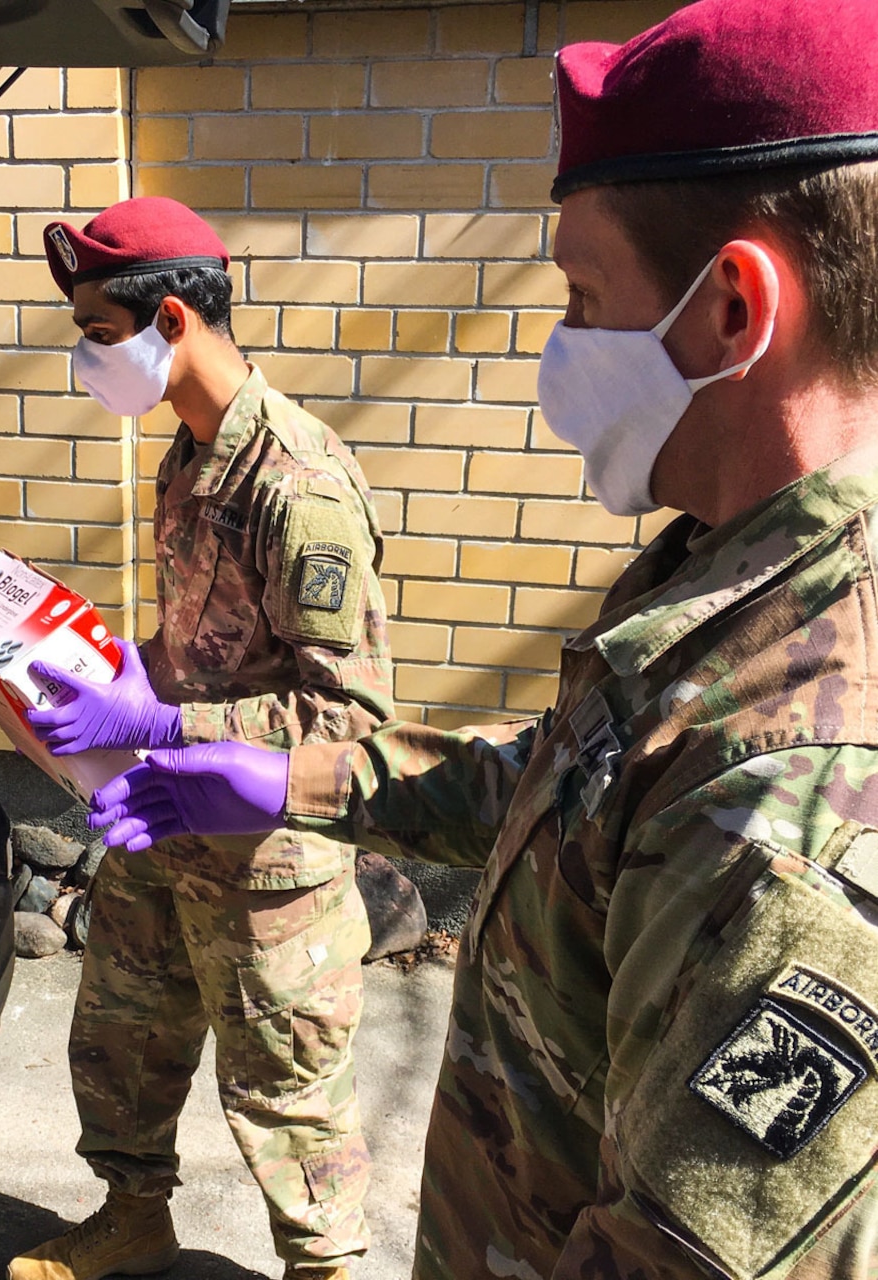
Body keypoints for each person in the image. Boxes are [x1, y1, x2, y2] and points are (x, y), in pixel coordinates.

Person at [83, 2, 878, 1277]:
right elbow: (559, 790)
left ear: (730, 309)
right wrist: (290, 778)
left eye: (581, 298)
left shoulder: (805, 767)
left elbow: (678, 1251)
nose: (558, 347)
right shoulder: (719, 573)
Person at [6, 197, 393, 1280]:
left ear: (168, 320)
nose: (87, 362)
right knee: (122, 1043)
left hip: (267, 868)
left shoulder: (298, 483)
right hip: (162, 824)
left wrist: (163, 714)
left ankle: (323, 1272)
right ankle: (133, 1217)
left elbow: (348, 722)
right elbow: (206, 646)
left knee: (290, 1103)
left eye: (95, 334)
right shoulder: (189, 454)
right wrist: (112, 666)